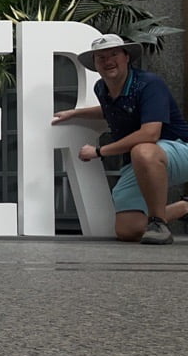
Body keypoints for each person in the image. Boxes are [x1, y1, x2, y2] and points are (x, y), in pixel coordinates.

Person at [52, 33, 188, 245]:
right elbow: (112, 111)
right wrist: (75, 113)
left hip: (178, 151)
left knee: (142, 149)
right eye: (101, 57)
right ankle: (183, 207)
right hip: (140, 162)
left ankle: (158, 222)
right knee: (128, 230)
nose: (108, 61)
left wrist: (99, 152)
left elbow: (151, 133)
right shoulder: (101, 88)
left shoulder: (148, 84)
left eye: (114, 54)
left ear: (127, 57)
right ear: (95, 64)